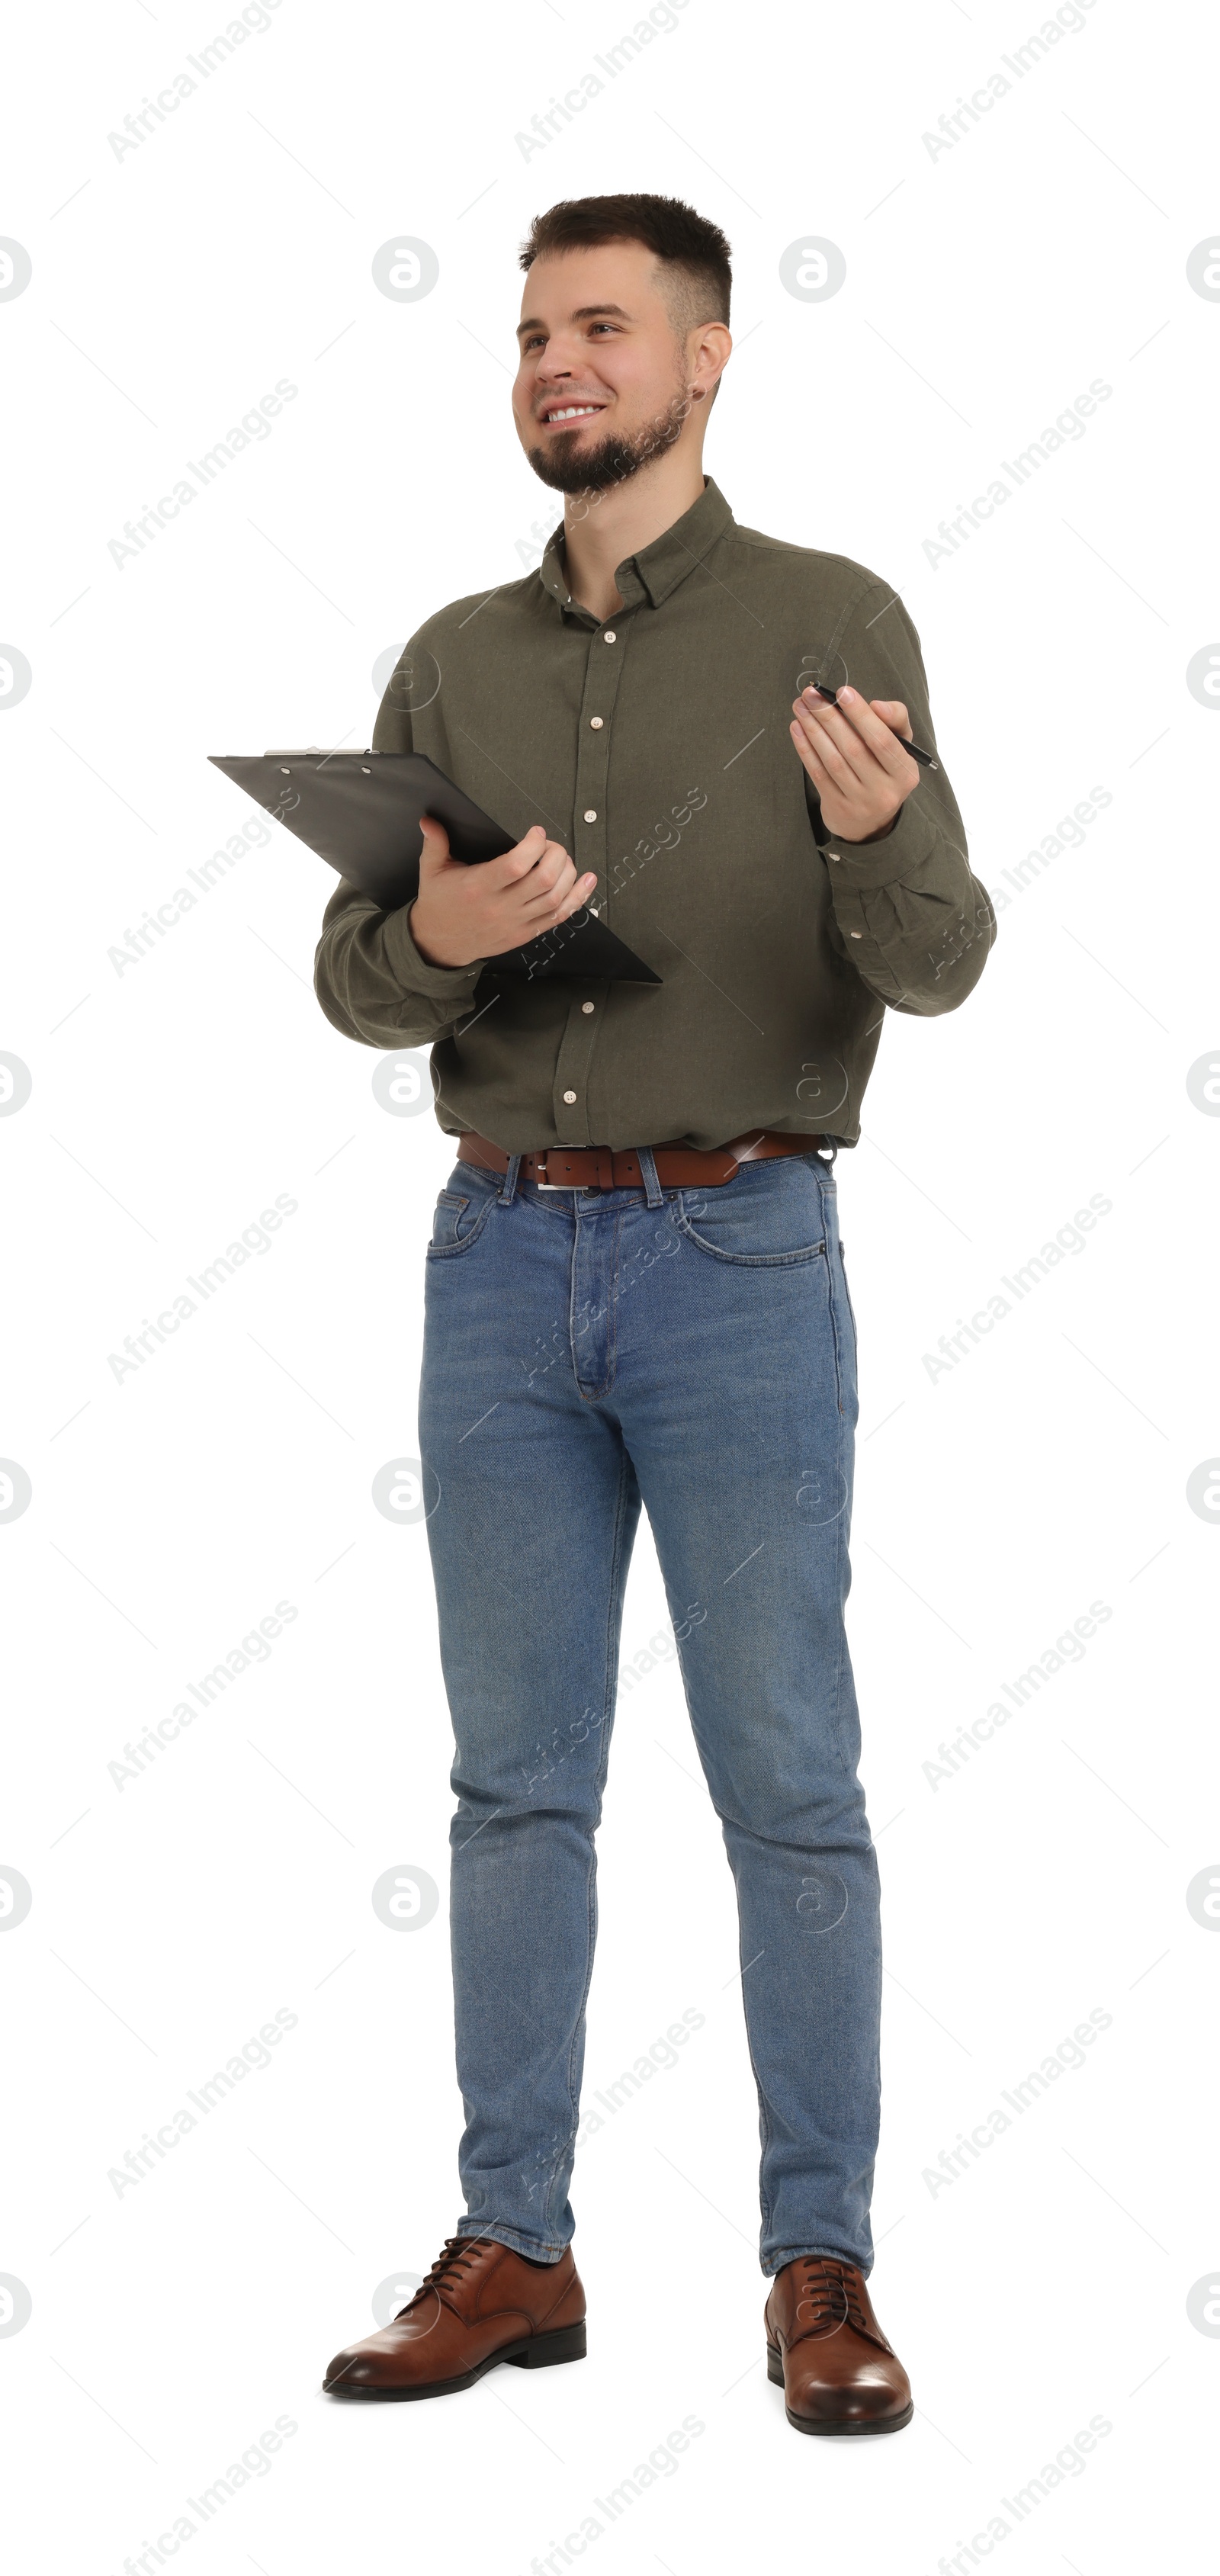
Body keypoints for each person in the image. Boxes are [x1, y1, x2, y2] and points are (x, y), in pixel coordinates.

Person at [316, 193, 994, 2433]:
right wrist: (445, 931)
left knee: (789, 1782)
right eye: (529, 335)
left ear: (707, 359)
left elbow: (941, 956)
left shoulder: (832, 620)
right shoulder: (451, 662)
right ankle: (516, 2242)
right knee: (517, 1785)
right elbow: (356, 984)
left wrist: (886, 838)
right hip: (498, 1254)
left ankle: (823, 2268)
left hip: (739, 1256)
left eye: (600, 329)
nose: (554, 366)